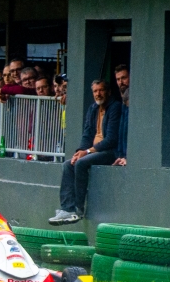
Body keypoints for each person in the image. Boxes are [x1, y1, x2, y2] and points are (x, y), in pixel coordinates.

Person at [49, 79, 122, 225]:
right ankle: (67, 208)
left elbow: (112, 139)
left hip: (109, 151)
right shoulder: (93, 108)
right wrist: (80, 151)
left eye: (101, 90)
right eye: (95, 91)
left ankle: (78, 209)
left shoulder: (115, 107)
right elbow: (87, 134)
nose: (98, 94)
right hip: (93, 151)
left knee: (81, 163)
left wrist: (87, 152)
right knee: (68, 164)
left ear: (108, 92)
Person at [113, 65, 130, 166]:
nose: (121, 82)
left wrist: (128, 158)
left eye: (124, 78)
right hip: (122, 157)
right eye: (118, 79)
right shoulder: (122, 100)